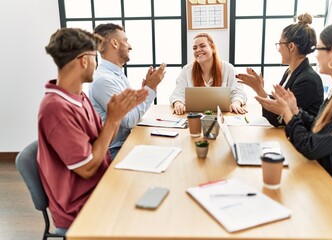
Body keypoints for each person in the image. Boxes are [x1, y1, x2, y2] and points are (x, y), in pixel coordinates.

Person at [38, 28, 148, 233]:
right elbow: (87, 168)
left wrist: (115, 118)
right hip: (82, 207)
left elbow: (101, 141)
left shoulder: (79, 97)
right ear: (83, 60)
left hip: (102, 187)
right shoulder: (56, 108)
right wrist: (114, 118)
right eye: (94, 56)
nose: (96, 63)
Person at [255, 19, 332, 204]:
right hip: (331, 185)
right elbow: (322, 129)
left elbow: (311, 146)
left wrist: (288, 114)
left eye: (319, 49)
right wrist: (296, 111)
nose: (315, 55)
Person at [89, 23, 166, 159]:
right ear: (114, 43)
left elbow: (129, 113)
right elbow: (129, 121)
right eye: (125, 40)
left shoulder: (116, 74)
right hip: (115, 151)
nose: (130, 46)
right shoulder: (103, 81)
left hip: (127, 142)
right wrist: (150, 88)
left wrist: (143, 92)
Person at [236, 13, 324, 127]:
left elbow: (278, 118)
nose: (278, 50)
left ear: (291, 46)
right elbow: (279, 103)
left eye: (280, 44)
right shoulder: (290, 71)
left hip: (298, 141)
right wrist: (260, 88)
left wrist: (259, 89)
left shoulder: (308, 80)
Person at [169, 32, 247, 115]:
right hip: (195, 117)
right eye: (195, 48)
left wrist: (236, 103)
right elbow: (177, 93)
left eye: (202, 46)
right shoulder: (187, 70)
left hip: (223, 116)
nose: (198, 50)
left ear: (213, 48)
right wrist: (178, 104)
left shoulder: (228, 68)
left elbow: (239, 92)